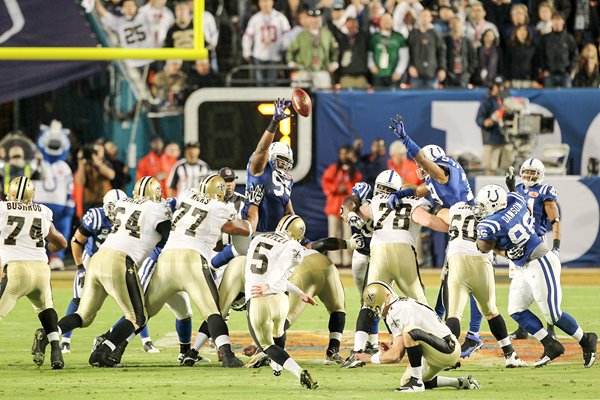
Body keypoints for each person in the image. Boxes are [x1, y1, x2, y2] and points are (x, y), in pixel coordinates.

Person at [37, 176, 172, 368]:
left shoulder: (124, 203)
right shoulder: (158, 209)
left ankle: (49, 333)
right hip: (120, 261)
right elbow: (168, 237)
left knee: (83, 315)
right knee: (137, 317)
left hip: (98, 259)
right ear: (157, 193)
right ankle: (103, 351)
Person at [385, 118, 484, 358]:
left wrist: (405, 140)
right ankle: (440, 324)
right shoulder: (440, 177)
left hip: (467, 229)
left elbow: (423, 161)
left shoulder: (441, 172)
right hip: (461, 227)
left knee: (471, 284)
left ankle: (472, 336)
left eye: (424, 164)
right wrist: (403, 193)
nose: (420, 169)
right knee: (448, 281)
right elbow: (421, 189)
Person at [474, 184, 597, 368]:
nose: (480, 209)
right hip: (524, 264)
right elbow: (516, 200)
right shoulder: (516, 200)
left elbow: (483, 247)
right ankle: (551, 345)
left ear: (493, 205)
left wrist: (480, 238)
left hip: (540, 261)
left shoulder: (491, 224)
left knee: (553, 315)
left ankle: (586, 339)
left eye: (483, 205)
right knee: (516, 309)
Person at [341, 169, 450, 368]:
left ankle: (357, 352)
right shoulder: (413, 202)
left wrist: (349, 212)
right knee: (421, 304)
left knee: (370, 302)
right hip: (403, 252)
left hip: (379, 252)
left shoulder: (375, 203)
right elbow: (426, 221)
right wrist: (455, 227)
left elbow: (352, 205)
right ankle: (440, 348)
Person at [143, 174, 252, 367]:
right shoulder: (222, 207)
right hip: (202, 259)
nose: (228, 185)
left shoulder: (187, 195)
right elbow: (243, 230)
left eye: (231, 181)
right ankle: (221, 353)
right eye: (224, 183)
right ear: (217, 189)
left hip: (174, 258)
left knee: (143, 312)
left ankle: (110, 344)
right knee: (215, 310)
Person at [356, 281, 481, 392]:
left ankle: (416, 382)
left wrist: (369, 358)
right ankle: (459, 382)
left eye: (374, 306)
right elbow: (401, 349)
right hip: (438, 349)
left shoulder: (396, 310)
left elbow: (396, 355)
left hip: (447, 348)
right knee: (405, 381)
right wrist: (390, 350)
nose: (375, 310)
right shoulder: (400, 305)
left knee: (410, 332)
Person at [444, 201, 526, 367]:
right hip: (480, 261)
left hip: (455, 260)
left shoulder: (456, 207)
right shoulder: (493, 216)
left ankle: (448, 358)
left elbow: (444, 215)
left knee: (453, 314)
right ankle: (510, 355)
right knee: (491, 312)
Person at [244, 214, 318, 389]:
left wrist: (267, 285)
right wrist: (299, 292)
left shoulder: (258, 238)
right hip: (280, 300)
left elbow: (277, 268)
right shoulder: (294, 246)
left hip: (259, 300)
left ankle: (298, 371)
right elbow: (281, 271)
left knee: (266, 345)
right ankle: (277, 365)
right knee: (278, 333)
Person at [0, 177, 67, 369]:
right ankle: (56, 351)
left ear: (11, 194)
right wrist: (49, 245)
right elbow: (60, 242)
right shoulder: (43, 211)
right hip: (41, 269)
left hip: (16, 270)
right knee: (46, 308)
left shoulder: (3, 209)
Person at [60, 189, 127, 354]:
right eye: (113, 207)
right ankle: (64, 340)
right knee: (78, 300)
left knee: (132, 305)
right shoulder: (96, 217)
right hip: (92, 261)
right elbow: (76, 241)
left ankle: (143, 340)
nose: (117, 211)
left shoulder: (130, 218)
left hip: (116, 263)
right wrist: (80, 268)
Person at [505, 159, 561, 339]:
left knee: (542, 287)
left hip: (537, 243)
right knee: (518, 286)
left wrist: (556, 246)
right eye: (526, 172)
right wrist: (511, 190)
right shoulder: (518, 189)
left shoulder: (545, 191)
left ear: (540, 174)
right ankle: (522, 328)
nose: (529, 176)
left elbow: (555, 221)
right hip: (518, 244)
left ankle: (550, 329)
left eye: (533, 172)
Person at [242, 98, 294, 233]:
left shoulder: (287, 179)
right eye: (281, 159)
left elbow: (288, 209)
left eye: (287, 161)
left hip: (276, 235)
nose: (284, 164)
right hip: (255, 231)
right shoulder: (260, 170)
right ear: (271, 157)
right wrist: (274, 122)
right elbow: (262, 149)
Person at [321, 145, 363, 266]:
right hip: (334, 206)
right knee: (334, 234)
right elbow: (326, 184)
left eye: (346, 153)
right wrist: (336, 188)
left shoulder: (354, 171)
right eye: (342, 153)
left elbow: (357, 187)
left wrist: (347, 188)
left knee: (348, 234)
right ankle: (335, 260)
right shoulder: (333, 169)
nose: (344, 156)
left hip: (348, 207)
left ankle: (347, 260)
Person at [286, 8, 339, 89]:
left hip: (322, 70)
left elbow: (335, 49)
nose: (314, 20)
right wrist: (291, 62)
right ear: (308, 20)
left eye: (317, 18)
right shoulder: (301, 35)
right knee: (302, 96)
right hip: (304, 70)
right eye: (312, 18)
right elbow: (290, 50)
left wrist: (334, 62)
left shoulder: (327, 34)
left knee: (324, 95)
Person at [242, 0, 291, 85]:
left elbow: (288, 36)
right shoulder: (255, 18)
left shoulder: (280, 17)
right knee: (259, 83)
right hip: (259, 55)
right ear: (259, 3)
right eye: (263, 1)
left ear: (272, 2)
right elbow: (247, 37)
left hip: (274, 55)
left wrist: (283, 48)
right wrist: (247, 51)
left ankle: (271, 98)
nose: (265, 4)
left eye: (267, 1)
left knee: (272, 83)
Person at [95, 0, 153, 68]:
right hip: (132, 62)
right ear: (122, 9)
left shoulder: (144, 15)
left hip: (151, 57)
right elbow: (103, 13)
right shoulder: (119, 22)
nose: (129, 7)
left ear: (136, 7)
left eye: (131, 5)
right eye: (127, 5)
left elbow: (153, 4)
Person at [475, 79, 512, 175]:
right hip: (491, 139)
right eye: (498, 86)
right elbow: (479, 119)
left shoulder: (506, 99)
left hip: (505, 138)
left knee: (507, 169)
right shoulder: (487, 101)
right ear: (493, 87)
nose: (500, 89)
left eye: (501, 86)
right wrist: (486, 122)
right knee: (490, 169)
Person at [407, 9, 446, 89]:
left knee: (431, 98)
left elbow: (441, 53)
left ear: (430, 18)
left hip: (432, 73)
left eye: (427, 16)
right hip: (416, 74)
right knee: (416, 99)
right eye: (423, 16)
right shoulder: (413, 34)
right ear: (419, 18)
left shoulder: (436, 34)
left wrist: (442, 68)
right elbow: (408, 52)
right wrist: (410, 66)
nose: (425, 18)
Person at [368, 13, 409, 88]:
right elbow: (369, 54)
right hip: (378, 74)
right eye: (384, 20)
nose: (387, 22)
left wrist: (398, 72)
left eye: (389, 20)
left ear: (392, 21)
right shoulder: (374, 38)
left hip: (394, 74)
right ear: (380, 22)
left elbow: (404, 57)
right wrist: (371, 66)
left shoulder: (399, 37)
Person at [539, 12, 578, 88]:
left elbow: (575, 55)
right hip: (549, 74)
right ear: (551, 21)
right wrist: (544, 70)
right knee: (549, 98)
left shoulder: (569, 38)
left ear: (563, 21)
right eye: (554, 20)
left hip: (565, 75)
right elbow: (541, 55)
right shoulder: (545, 38)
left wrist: (570, 71)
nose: (557, 22)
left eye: (559, 19)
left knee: (566, 98)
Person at [329, 16, 370, 89]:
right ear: (345, 24)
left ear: (357, 24)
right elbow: (332, 27)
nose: (351, 26)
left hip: (361, 77)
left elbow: (366, 23)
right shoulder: (342, 39)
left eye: (354, 23)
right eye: (349, 23)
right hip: (346, 77)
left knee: (361, 99)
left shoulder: (362, 37)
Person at [75, 141, 116, 211]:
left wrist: (97, 163)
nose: (96, 153)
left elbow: (111, 175)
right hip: (89, 203)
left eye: (98, 150)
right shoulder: (86, 165)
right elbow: (79, 182)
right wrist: (80, 162)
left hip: (103, 202)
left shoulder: (106, 164)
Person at [444, 16, 477, 88]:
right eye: (453, 23)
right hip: (449, 75)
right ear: (450, 25)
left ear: (462, 24)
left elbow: (474, 59)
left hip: (463, 75)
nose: (455, 25)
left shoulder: (467, 41)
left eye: (457, 23)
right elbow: (442, 56)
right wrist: (446, 71)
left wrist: (468, 72)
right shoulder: (445, 40)